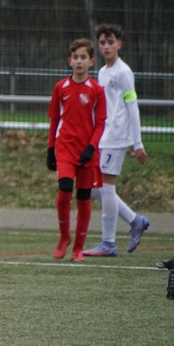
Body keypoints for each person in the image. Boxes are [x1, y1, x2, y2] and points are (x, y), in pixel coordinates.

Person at [83, 23, 150, 257]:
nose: (106, 47)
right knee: (95, 189)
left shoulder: (123, 72)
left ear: (119, 45)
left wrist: (137, 142)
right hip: (104, 135)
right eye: (102, 43)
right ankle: (135, 220)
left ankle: (108, 243)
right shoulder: (102, 72)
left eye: (110, 42)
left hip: (117, 136)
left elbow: (132, 106)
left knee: (105, 187)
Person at [46, 38, 106, 263]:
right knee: (64, 191)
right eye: (75, 57)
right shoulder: (60, 87)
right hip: (65, 149)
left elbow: (101, 123)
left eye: (83, 57)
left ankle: (78, 248)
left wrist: (91, 147)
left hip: (87, 152)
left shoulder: (96, 90)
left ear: (91, 62)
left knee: (83, 198)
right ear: (69, 61)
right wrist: (50, 149)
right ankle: (64, 237)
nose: (79, 61)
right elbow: (54, 120)